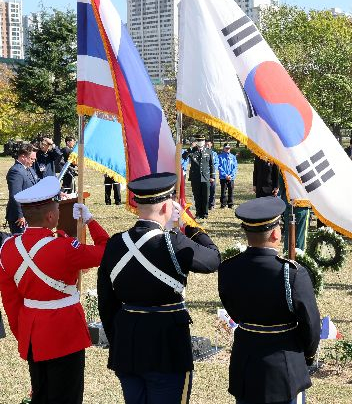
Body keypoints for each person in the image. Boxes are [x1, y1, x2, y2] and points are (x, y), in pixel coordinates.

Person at [97, 172, 221, 404]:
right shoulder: (174, 241)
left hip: (127, 345)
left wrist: (119, 340)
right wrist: (187, 224)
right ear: (167, 208)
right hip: (167, 347)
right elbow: (213, 259)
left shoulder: (115, 243)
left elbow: (106, 302)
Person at [0, 176, 108, 403]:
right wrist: (90, 221)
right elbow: (107, 250)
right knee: (67, 396)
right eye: (58, 208)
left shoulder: (8, 248)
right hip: (65, 332)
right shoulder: (65, 247)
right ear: (50, 216)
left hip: (32, 333)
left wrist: (23, 334)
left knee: (41, 394)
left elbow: (10, 300)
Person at [218, 197, 320, 404]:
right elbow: (311, 324)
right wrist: (307, 357)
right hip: (285, 367)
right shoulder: (292, 273)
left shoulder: (228, 268)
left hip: (245, 363)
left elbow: (234, 312)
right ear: (276, 233)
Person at [6, 144, 38, 234]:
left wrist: (57, 192)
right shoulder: (16, 171)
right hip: (20, 218)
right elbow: (15, 195)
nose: (34, 161)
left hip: (30, 213)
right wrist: (20, 215)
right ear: (23, 157)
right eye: (32, 159)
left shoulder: (29, 169)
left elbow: (39, 183)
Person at [182, 135, 215, 218]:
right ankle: (198, 213)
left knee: (205, 196)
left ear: (204, 141)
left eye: (202, 140)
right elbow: (184, 156)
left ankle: (205, 213)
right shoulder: (192, 150)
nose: (200, 142)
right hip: (195, 177)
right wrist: (190, 148)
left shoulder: (208, 151)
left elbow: (211, 165)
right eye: (199, 140)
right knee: (197, 196)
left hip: (206, 177)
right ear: (196, 141)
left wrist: (212, 176)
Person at [219, 143, 238, 209]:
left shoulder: (233, 157)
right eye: (226, 148)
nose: (227, 149)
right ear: (223, 148)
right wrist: (225, 175)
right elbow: (219, 166)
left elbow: (235, 167)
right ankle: (223, 204)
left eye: (228, 148)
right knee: (223, 191)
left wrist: (231, 175)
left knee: (231, 191)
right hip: (223, 177)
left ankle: (230, 204)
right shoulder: (220, 156)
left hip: (231, 177)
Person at [206, 140, 220, 210]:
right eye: (206, 144)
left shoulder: (214, 154)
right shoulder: (203, 153)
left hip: (212, 174)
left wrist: (212, 173)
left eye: (208, 144)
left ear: (211, 144)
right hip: (205, 175)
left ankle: (211, 205)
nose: (207, 146)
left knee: (212, 190)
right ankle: (205, 204)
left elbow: (216, 163)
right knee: (205, 190)